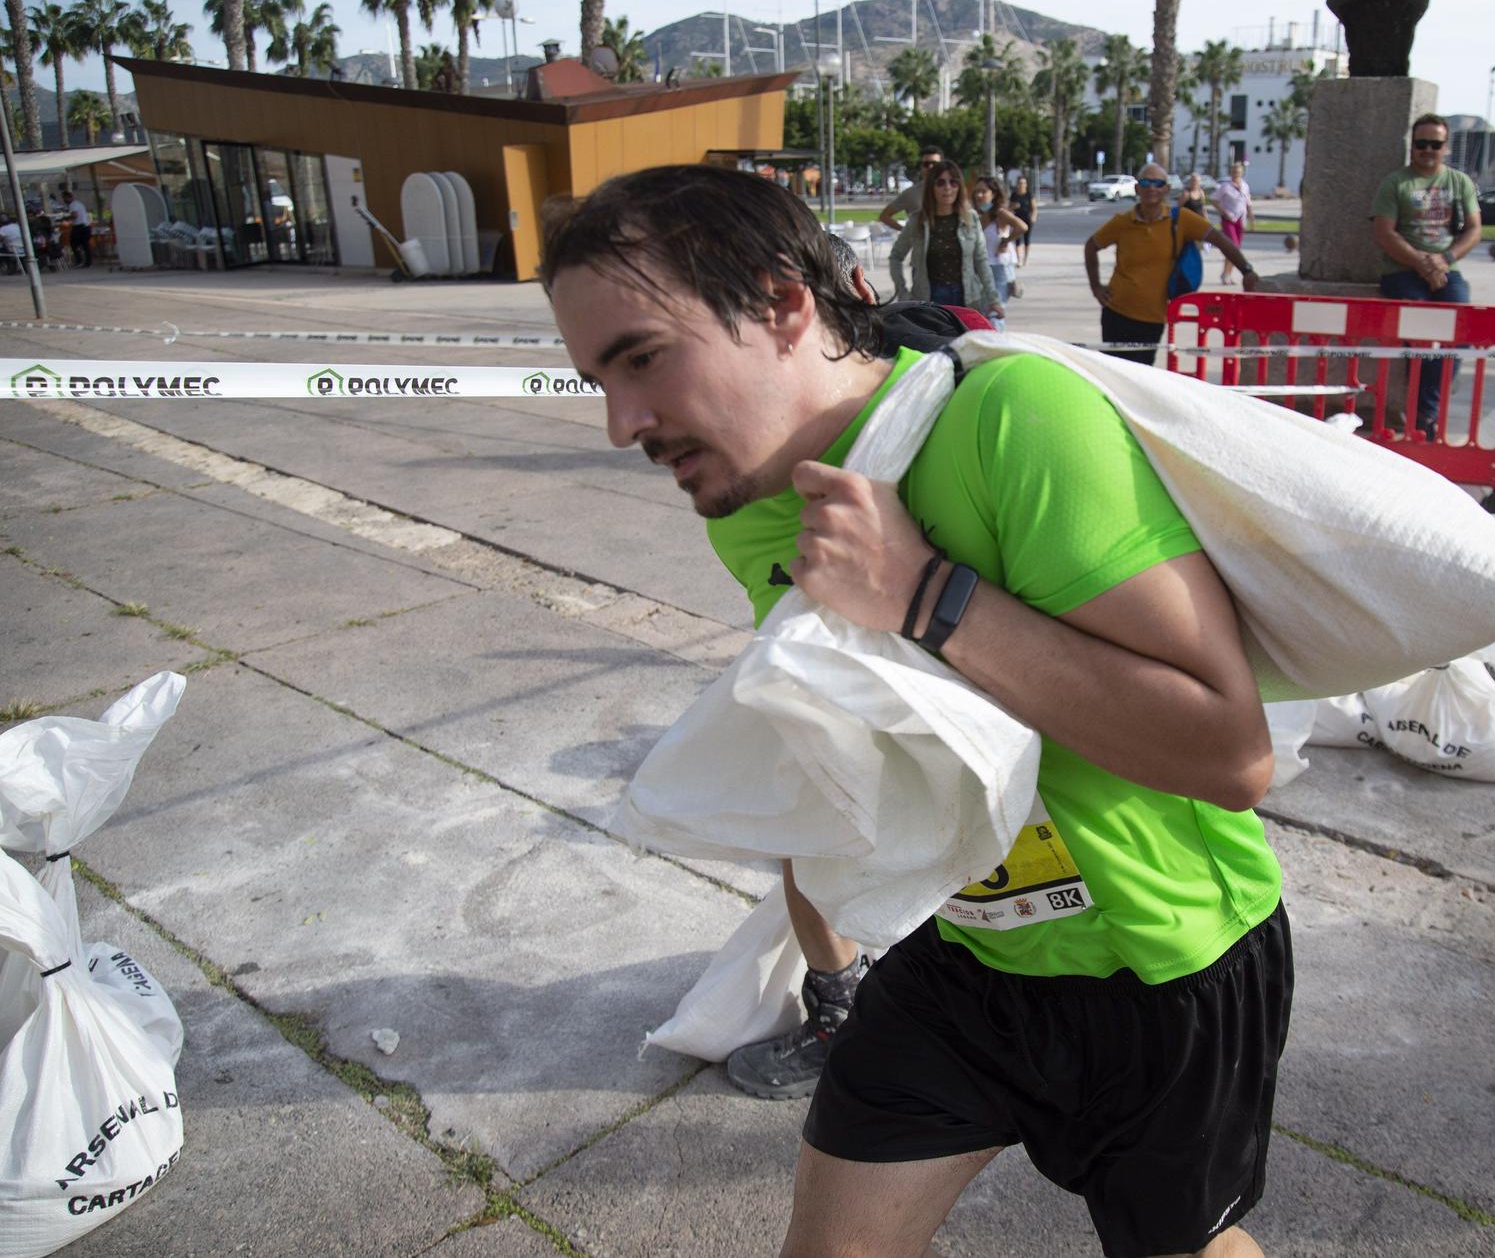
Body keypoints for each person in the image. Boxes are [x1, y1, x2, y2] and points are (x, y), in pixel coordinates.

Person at [545, 163, 1290, 1258]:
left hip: (1161, 960)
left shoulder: (1010, 421)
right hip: (964, 948)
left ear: (781, 303)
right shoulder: (752, 509)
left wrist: (926, 595)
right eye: (595, 380)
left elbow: (1228, 753)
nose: (621, 423)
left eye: (643, 358)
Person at [1369, 114, 1482, 438]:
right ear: (1412, 147)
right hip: (1402, 272)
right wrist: (1421, 263)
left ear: (1446, 147)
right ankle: (1421, 416)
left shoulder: (1459, 183)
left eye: (1435, 144)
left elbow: (1474, 229)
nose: (1428, 150)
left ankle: (1424, 414)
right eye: (1421, 144)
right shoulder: (1396, 183)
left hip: (1447, 269)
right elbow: (1384, 233)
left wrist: (1443, 260)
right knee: (1420, 337)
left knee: (1459, 335)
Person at [1085, 164, 1263, 365]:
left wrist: (1246, 270)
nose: (1151, 188)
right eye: (1145, 182)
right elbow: (1091, 246)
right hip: (1115, 313)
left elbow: (1220, 240)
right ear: (1137, 189)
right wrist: (1096, 287)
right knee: (1113, 374)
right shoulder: (1122, 222)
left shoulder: (1181, 220)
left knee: (1140, 376)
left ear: (1167, 190)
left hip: (1151, 319)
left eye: (1158, 183)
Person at [887, 160, 1003, 323]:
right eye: (940, 182)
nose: (947, 187)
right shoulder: (917, 221)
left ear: (959, 186)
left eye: (953, 182)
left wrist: (993, 300)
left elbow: (981, 260)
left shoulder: (971, 219)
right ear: (932, 188)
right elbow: (896, 257)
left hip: (968, 299)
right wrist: (903, 293)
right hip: (930, 299)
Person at [971, 174, 1027, 330]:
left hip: (999, 268)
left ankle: (997, 343)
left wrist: (1005, 241)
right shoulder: (979, 215)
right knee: (983, 311)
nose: (979, 195)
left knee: (995, 311)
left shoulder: (1000, 213)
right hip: (982, 269)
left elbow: (1022, 227)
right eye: (977, 192)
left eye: (983, 191)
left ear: (993, 194)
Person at [876, 145, 945, 232]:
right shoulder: (911, 193)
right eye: (926, 164)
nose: (930, 167)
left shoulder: (951, 191)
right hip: (921, 244)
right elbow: (884, 216)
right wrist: (906, 232)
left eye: (934, 164)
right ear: (921, 167)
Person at [1215, 161, 1254, 285]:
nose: (1236, 174)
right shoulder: (1225, 186)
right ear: (1231, 172)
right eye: (1234, 172)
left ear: (1242, 173)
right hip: (1229, 220)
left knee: (1235, 249)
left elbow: (1248, 202)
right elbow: (1215, 200)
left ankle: (1227, 274)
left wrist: (1251, 217)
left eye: (1238, 172)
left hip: (1240, 219)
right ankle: (1225, 274)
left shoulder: (1245, 186)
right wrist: (1224, 212)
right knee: (1233, 246)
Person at [1008, 174, 1037, 267]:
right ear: (1017, 184)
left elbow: (1034, 208)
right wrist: (1013, 206)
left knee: (1026, 239)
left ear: (1026, 184)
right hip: (1017, 219)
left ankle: (1026, 258)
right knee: (1017, 239)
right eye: (1020, 183)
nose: (1022, 185)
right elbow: (1009, 208)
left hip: (1027, 218)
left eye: (1024, 183)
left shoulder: (1029, 194)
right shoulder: (1014, 195)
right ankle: (1019, 259)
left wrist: (1033, 217)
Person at [63, 191, 91, 269]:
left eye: (65, 198)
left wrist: (66, 218)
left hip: (79, 227)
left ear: (68, 197)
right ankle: (88, 262)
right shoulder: (79, 203)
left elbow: (75, 215)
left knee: (73, 243)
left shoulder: (72, 205)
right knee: (85, 245)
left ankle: (79, 260)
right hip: (86, 226)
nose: (64, 201)